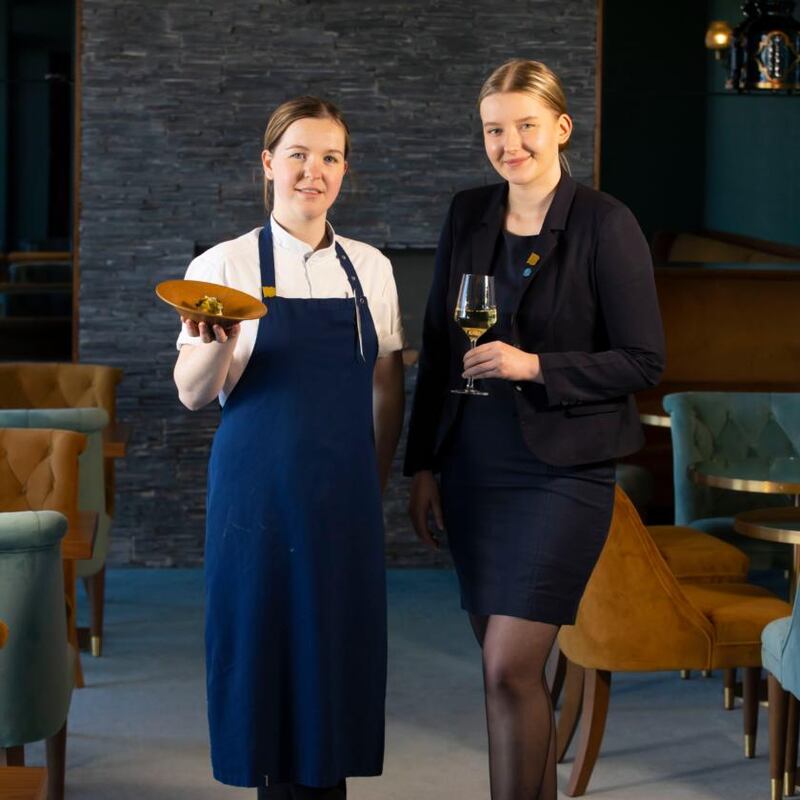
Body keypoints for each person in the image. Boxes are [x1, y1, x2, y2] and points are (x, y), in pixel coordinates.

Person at [405, 60, 664, 800]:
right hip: (472, 470)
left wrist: (535, 365)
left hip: (561, 475)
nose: (509, 142)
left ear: (560, 127)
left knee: (507, 668)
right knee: (506, 681)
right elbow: (437, 342)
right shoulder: (468, 214)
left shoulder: (604, 224)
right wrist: (423, 465)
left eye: (525, 125)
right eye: (494, 129)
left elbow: (644, 359)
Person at [174, 96, 405, 799]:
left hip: (342, 502)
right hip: (257, 500)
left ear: (345, 170)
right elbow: (190, 392)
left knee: (332, 669)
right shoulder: (224, 264)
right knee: (263, 665)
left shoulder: (371, 269)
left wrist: (375, 475)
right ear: (269, 164)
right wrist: (211, 347)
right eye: (299, 154)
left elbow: (387, 383)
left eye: (330, 157)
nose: (315, 171)